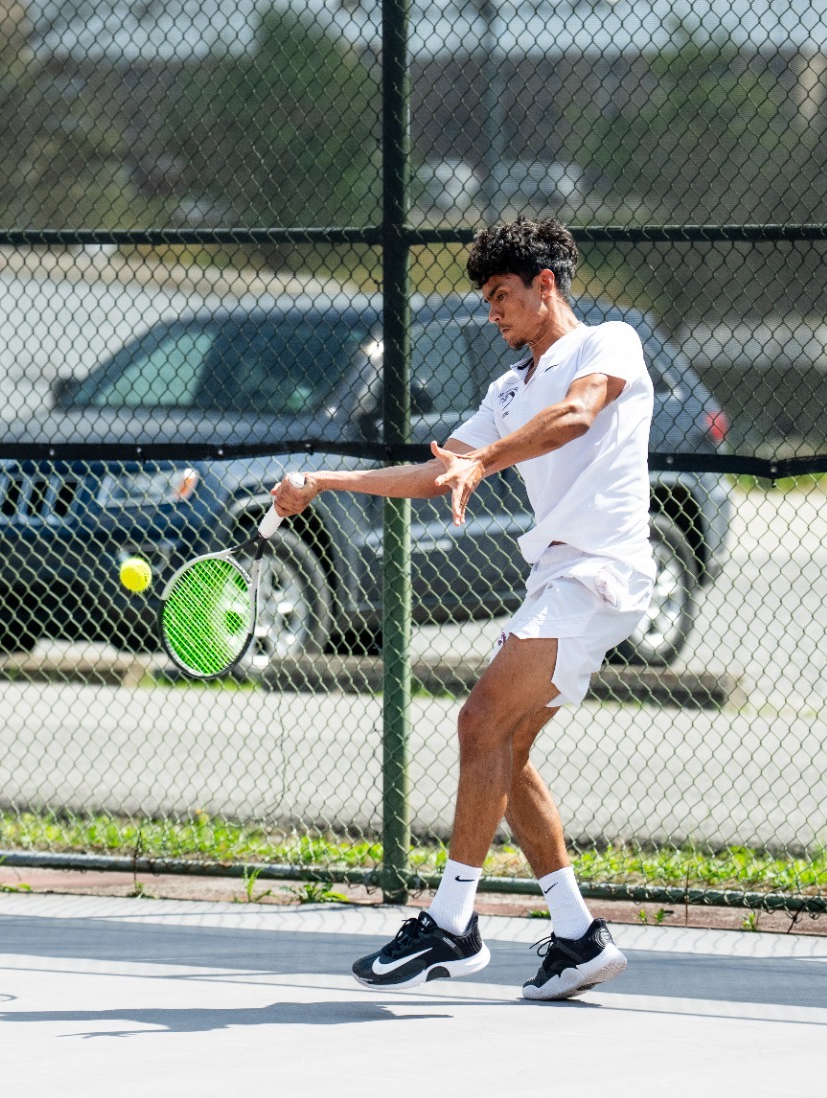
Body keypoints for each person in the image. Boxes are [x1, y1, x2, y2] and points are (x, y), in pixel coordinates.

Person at [269, 217, 653, 1001]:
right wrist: (325, 483)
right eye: (485, 298)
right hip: (555, 578)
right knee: (502, 751)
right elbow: (435, 472)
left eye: (503, 294)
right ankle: (579, 936)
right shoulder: (508, 390)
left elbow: (579, 415)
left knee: (478, 720)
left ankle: (452, 922)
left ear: (547, 286)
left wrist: (489, 456)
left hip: (599, 575)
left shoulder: (607, 343)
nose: (492, 312)